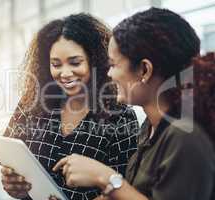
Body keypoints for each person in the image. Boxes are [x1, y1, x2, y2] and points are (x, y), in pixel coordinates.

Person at [53, 8, 215, 200]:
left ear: (144, 70)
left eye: (114, 65)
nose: (109, 74)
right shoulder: (150, 127)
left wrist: (105, 178)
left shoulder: (185, 137)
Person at [0, 13, 139, 200]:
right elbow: (10, 166)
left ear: (96, 60)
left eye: (75, 63)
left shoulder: (121, 116)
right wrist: (12, 184)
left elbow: (125, 188)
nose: (64, 74)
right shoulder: (32, 103)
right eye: (56, 64)